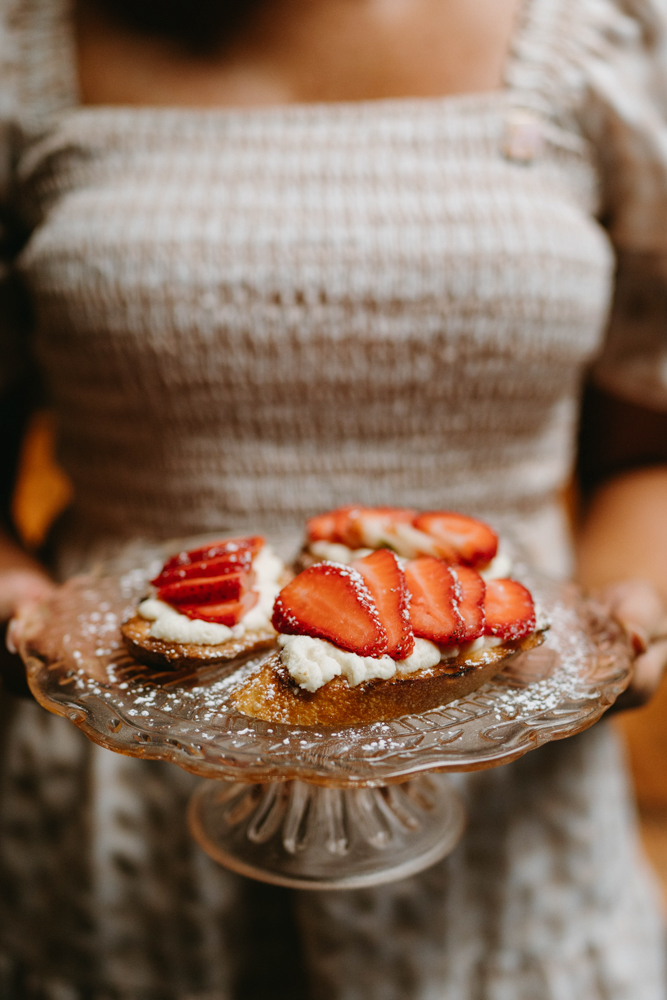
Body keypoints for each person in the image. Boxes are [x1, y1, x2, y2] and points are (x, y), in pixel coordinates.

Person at [1, 0, 667, 996]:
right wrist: (15, 600)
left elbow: (646, 439)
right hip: (122, 785)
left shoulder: (600, 34)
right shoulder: (24, 44)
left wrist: (628, 607)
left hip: (504, 778)